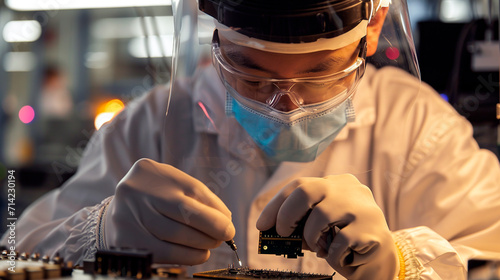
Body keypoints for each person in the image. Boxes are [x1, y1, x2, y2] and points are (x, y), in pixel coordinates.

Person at [2, 0, 500, 279]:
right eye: (250, 73)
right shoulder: (150, 124)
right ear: (215, 43)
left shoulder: (417, 127)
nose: (285, 106)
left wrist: (403, 266)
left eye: (319, 74)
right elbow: (15, 254)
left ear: (371, 33)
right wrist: (100, 232)